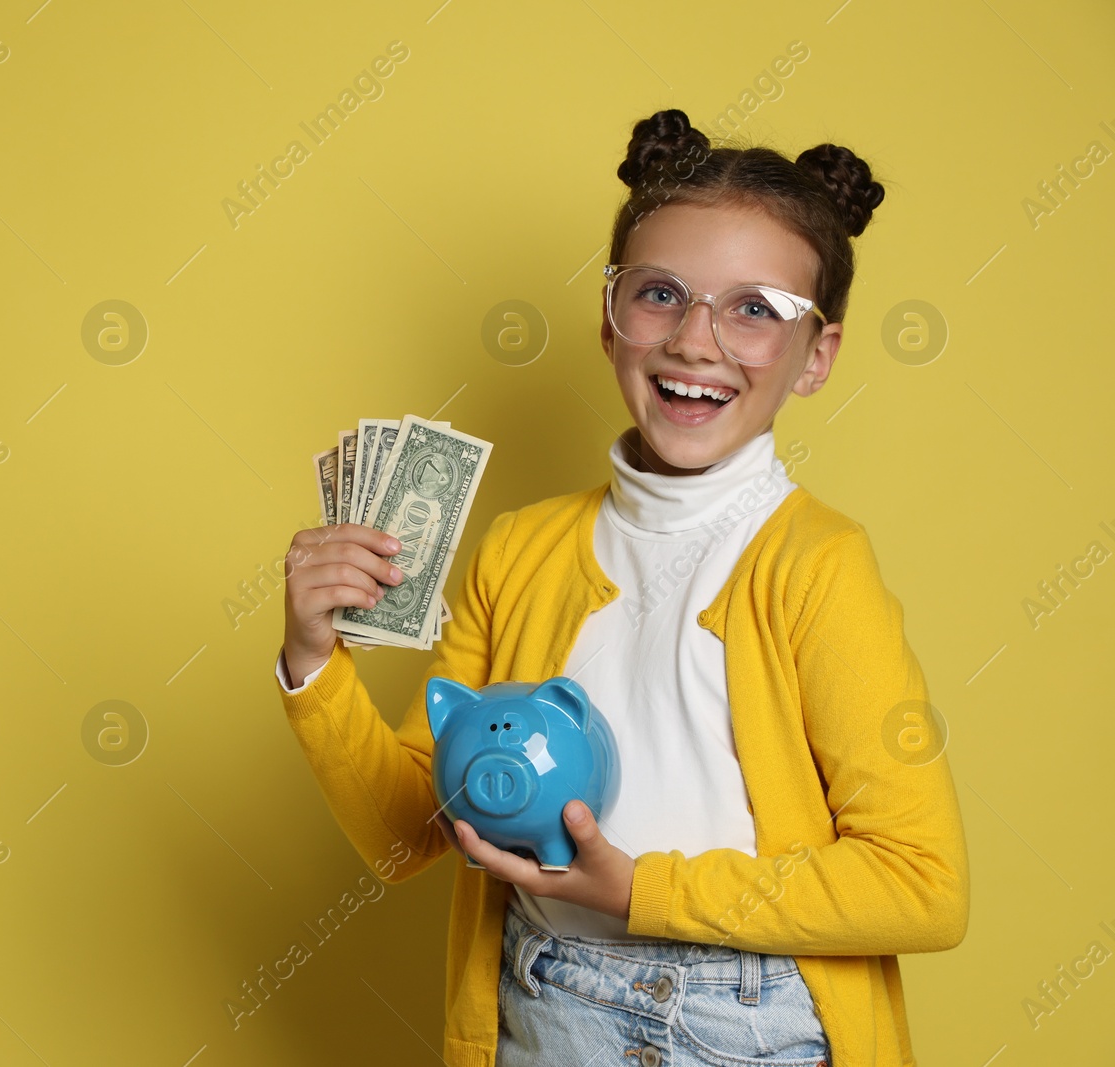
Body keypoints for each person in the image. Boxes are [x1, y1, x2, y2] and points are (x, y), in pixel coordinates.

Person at [274, 108, 968, 1066]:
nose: (696, 339)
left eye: (755, 307)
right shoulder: (520, 551)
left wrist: (640, 889)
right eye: (660, 294)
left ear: (817, 356)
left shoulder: (818, 565)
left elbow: (921, 883)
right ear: (609, 322)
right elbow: (408, 835)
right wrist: (312, 665)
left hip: (752, 1023)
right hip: (546, 1006)